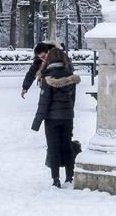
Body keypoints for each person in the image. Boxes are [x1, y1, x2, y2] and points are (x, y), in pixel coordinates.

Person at [30, 47, 81, 188]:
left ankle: (56, 179)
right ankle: (69, 176)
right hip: (67, 117)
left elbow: (44, 102)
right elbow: (72, 99)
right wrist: (69, 112)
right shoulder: (70, 76)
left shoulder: (47, 77)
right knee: (67, 146)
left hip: (51, 119)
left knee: (53, 148)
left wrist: (36, 122)